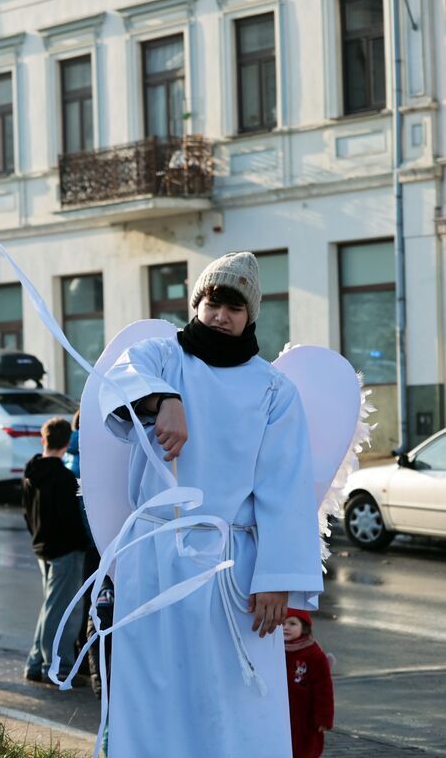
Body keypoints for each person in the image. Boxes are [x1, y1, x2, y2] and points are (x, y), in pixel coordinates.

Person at [97, 252, 323, 756]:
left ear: (250, 315)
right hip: (156, 557)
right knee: (154, 688)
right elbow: (117, 381)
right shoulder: (162, 357)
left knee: (232, 696)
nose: (221, 316)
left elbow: (285, 487)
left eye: (234, 307)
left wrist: (275, 579)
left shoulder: (273, 389)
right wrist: (163, 399)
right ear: (196, 304)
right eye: (212, 303)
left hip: (231, 566)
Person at [22, 416, 91, 684]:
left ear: (44, 439)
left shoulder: (30, 473)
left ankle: (36, 662)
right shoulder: (65, 478)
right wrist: (84, 542)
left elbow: (27, 513)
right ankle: (57, 667)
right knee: (64, 611)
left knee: (51, 606)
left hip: (43, 546)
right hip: (67, 549)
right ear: (67, 443)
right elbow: (72, 519)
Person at [284, 607, 334, 758]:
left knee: (304, 750)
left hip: (305, 718)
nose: (286, 627)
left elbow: (323, 690)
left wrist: (323, 718)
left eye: (292, 623)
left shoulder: (314, 654)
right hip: (282, 714)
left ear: (304, 627)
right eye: (282, 623)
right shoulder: (275, 649)